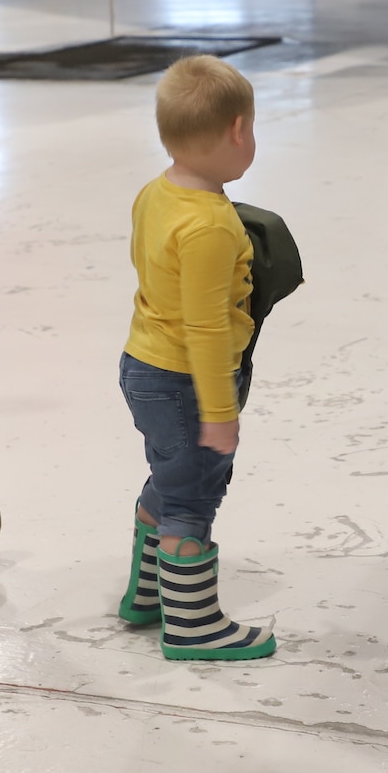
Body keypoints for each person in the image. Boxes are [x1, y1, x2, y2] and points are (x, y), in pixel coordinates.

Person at [115, 56, 275, 661]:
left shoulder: (157, 193)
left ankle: (148, 595)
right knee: (192, 497)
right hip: (186, 380)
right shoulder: (210, 225)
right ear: (238, 132)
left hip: (144, 365)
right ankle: (193, 627)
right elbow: (206, 328)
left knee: (168, 475)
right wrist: (220, 410)